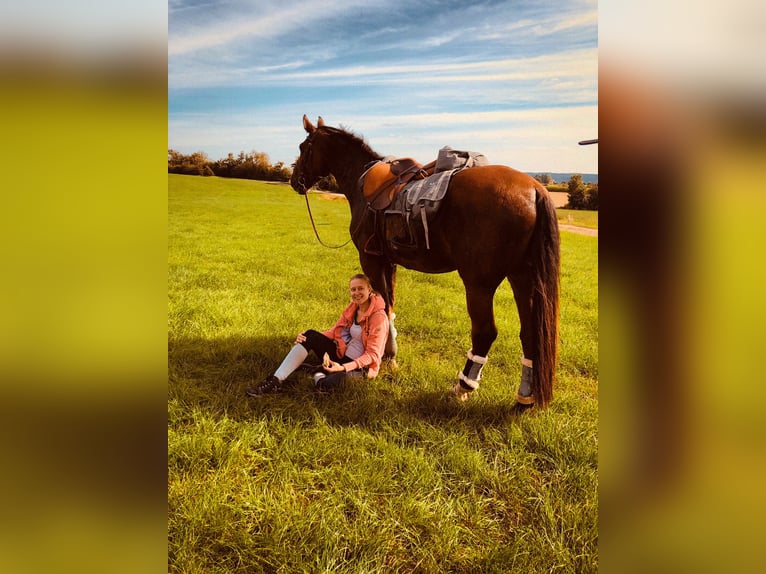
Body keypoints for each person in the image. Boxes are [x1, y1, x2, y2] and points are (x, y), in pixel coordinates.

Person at [246, 274, 389, 395]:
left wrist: (343, 368)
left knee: (324, 386)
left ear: (369, 289)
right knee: (309, 335)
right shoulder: (353, 308)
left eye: (360, 288)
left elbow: (373, 355)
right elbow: (335, 331)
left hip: (359, 367)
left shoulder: (379, 318)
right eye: (353, 289)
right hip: (341, 357)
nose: (356, 293)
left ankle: (318, 371)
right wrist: (308, 338)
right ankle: (275, 381)